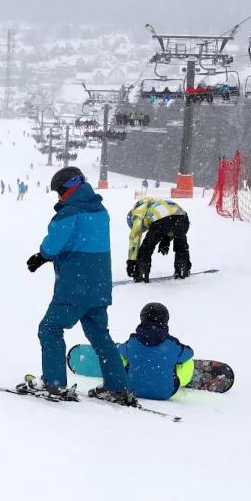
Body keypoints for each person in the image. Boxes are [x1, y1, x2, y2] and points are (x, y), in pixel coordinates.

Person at [25, 167, 132, 404]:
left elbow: (53, 245)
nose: (58, 197)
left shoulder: (70, 213)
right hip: (99, 286)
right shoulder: (100, 210)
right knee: (99, 334)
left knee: (50, 329)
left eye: (58, 192)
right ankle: (118, 387)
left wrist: (41, 256)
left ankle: (53, 384)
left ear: (66, 189)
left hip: (75, 286)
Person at [119, 303, 195, 401]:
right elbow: (190, 353)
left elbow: (119, 350)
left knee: (123, 356)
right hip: (165, 393)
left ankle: (120, 375)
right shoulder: (172, 344)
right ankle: (181, 381)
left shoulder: (132, 341)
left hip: (133, 390)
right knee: (188, 361)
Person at [126, 197, 190, 283]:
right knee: (181, 245)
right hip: (183, 217)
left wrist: (132, 261)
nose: (144, 229)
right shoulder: (156, 204)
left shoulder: (137, 212)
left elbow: (135, 236)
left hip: (162, 220)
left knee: (146, 248)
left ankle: (141, 275)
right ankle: (182, 270)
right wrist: (166, 239)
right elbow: (172, 221)